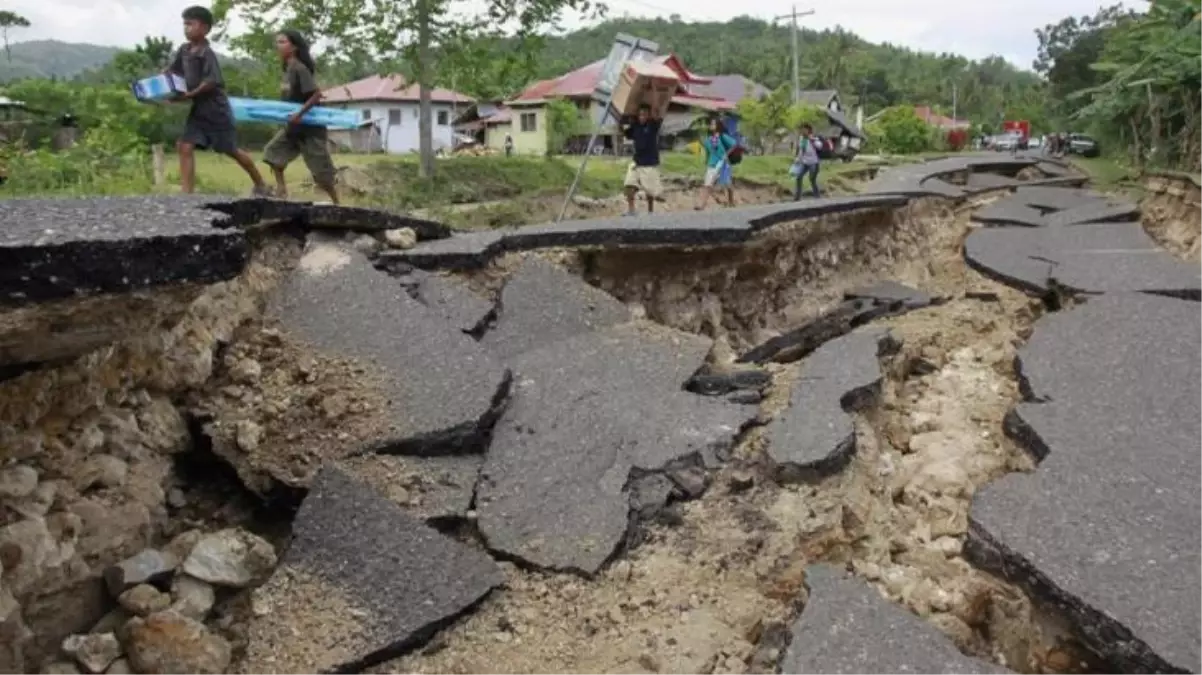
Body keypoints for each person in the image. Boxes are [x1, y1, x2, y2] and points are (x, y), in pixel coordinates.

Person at [167, 6, 269, 196]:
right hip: (199, 111)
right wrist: (162, 89)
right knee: (185, 145)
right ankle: (186, 194)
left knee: (231, 150)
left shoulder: (206, 53)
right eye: (185, 24)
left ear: (205, 28)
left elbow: (212, 82)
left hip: (216, 110)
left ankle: (261, 183)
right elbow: (173, 72)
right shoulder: (184, 50)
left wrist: (189, 95)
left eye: (191, 24)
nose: (186, 28)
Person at [260, 29, 338, 203]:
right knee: (272, 153)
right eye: (277, 42)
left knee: (322, 175)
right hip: (293, 128)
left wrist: (299, 113)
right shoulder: (287, 69)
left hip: (310, 129)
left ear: (293, 47)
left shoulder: (299, 68)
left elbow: (316, 94)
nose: (277, 46)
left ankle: (337, 202)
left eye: (282, 42)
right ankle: (282, 191)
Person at [621, 103, 664, 216]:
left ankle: (650, 211)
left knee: (649, 190)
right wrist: (622, 121)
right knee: (629, 184)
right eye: (640, 115)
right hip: (636, 162)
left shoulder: (653, 125)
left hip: (649, 163)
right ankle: (631, 210)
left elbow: (658, 114)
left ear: (649, 115)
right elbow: (625, 132)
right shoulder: (635, 126)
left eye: (644, 114)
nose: (642, 117)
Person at [695, 116, 737, 210]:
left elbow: (734, 144)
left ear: (718, 126)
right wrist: (706, 162)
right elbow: (707, 151)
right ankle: (701, 205)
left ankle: (731, 201)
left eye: (713, 124)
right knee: (707, 184)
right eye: (711, 124)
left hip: (723, 163)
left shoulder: (722, 136)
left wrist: (726, 154)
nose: (711, 125)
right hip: (712, 164)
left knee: (727, 184)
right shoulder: (708, 139)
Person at [793, 123, 821, 199]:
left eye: (804, 129)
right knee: (798, 177)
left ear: (808, 130)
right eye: (801, 129)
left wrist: (813, 140)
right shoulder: (802, 138)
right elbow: (801, 150)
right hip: (805, 162)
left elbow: (819, 146)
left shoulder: (813, 137)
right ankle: (797, 196)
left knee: (812, 179)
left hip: (813, 162)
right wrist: (798, 159)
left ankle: (817, 196)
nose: (802, 131)